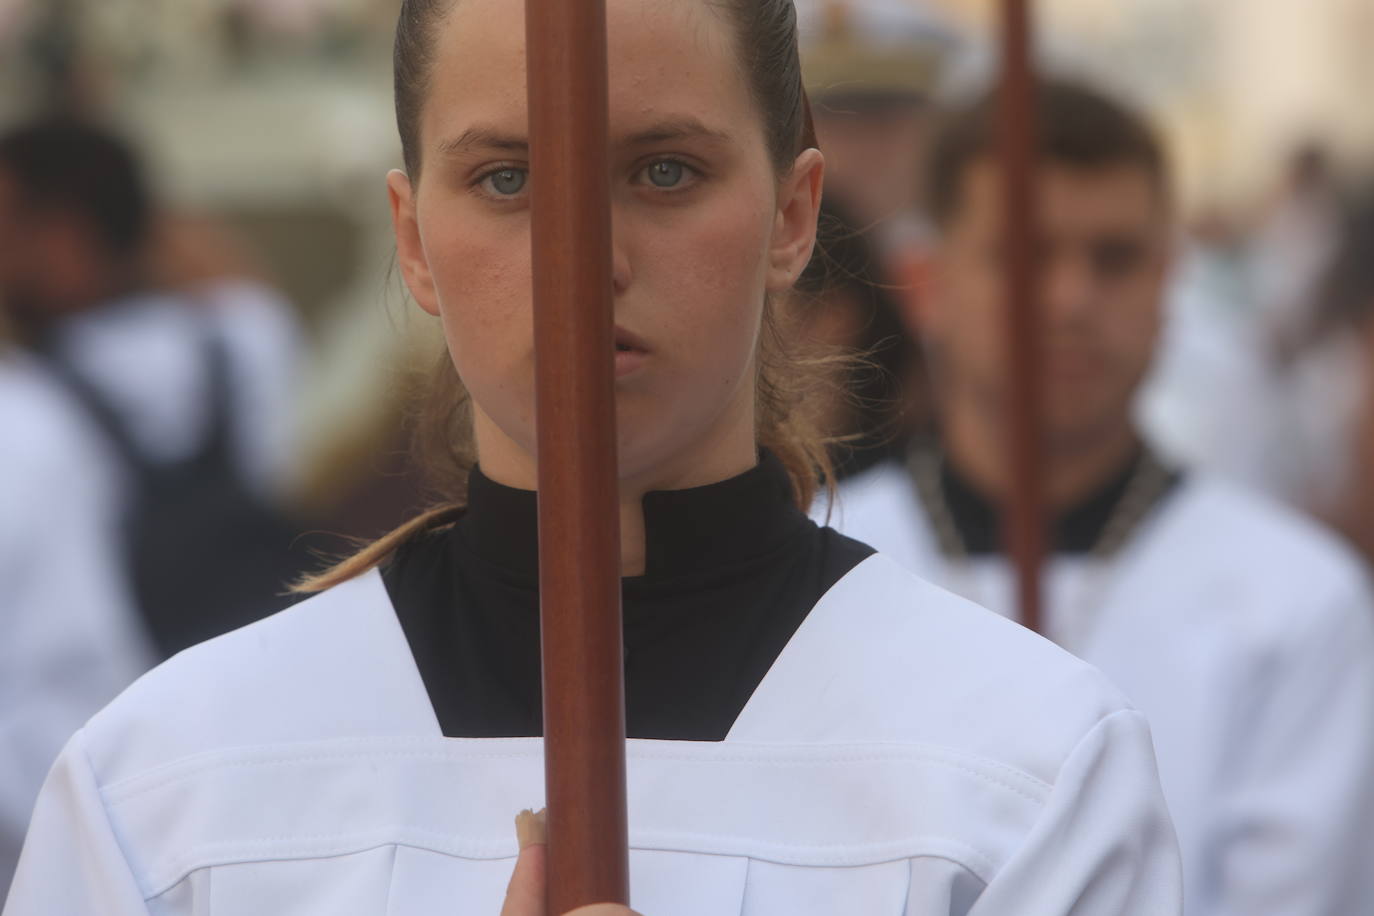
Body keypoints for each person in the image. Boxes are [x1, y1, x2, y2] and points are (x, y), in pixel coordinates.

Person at [4, 3, 1182, 913]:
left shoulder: (1024, 767)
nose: (586, 256)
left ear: (791, 215)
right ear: (415, 241)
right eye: (506, 178)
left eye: (665, 170)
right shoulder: (167, 786)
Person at [823, 80, 1374, 915]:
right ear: (927, 283)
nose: (1072, 300)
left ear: (1168, 283)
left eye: (1114, 258)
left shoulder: (1296, 604)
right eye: (1023, 256)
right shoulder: (825, 564)